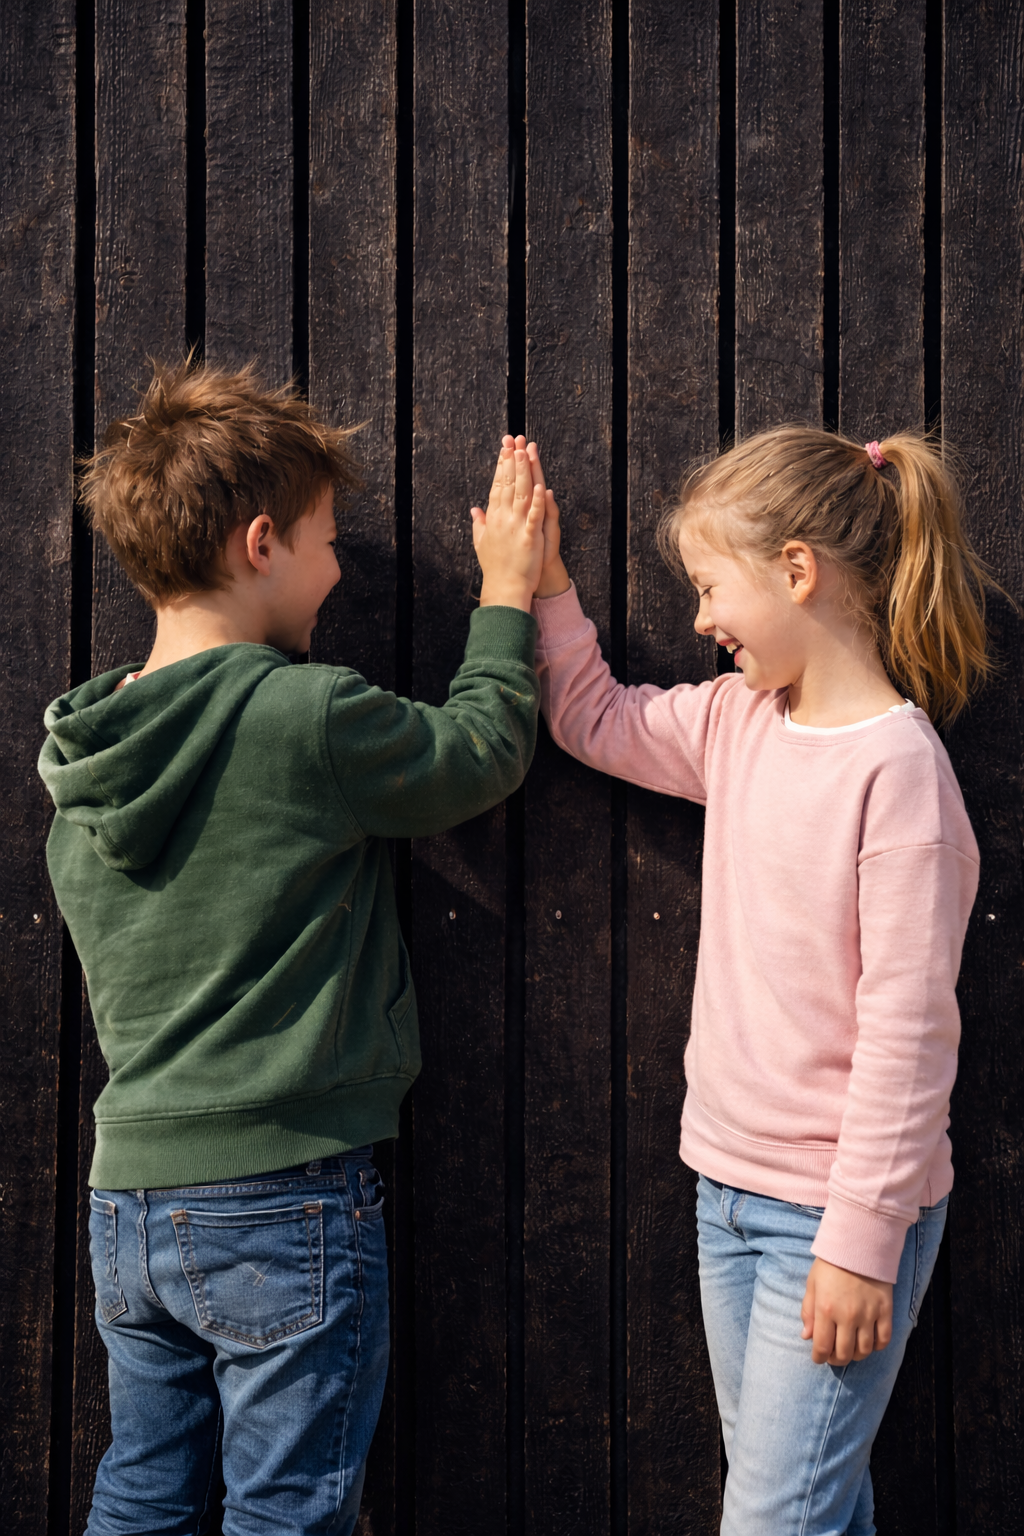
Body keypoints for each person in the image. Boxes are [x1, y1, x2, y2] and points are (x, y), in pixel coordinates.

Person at [39, 359, 546, 1535]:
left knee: (141, 1496)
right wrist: (508, 593)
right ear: (259, 543)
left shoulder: (87, 756)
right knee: (286, 1514)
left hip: (129, 1203)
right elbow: (476, 753)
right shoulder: (303, 714)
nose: (337, 569)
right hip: (281, 1197)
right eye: (325, 541)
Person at [499, 425, 988, 1534]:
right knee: (814, 1507)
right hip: (724, 1192)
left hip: (835, 1217)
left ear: (797, 571)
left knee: (774, 1519)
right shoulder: (735, 723)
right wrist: (549, 586)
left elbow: (911, 1033)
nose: (699, 619)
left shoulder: (899, 774)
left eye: (711, 587)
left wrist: (860, 1242)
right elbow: (594, 717)